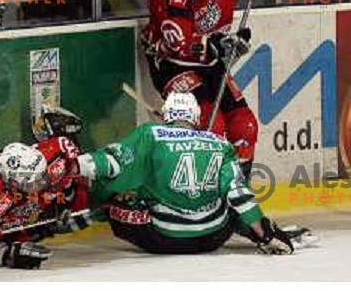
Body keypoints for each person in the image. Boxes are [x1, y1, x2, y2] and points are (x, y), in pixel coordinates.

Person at [77, 92, 296, 256]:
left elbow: (111, 162)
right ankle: (261, 232)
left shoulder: (150, 134)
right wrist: (263, 234)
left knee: (117, 196)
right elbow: (238, 193)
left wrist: (75, 164)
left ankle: (77, 218)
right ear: (196, 116)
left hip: (163, 239)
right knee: (227, 201)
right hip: (213, 238)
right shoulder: (220, 143)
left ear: (166, 113)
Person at [140, 0, 278, 180]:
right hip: (172, 64)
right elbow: (178, 45)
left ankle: (238, 193)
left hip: (210, 62)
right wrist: (219, 45)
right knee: (211, 127)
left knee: (244, 125)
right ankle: (204, 193)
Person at [0, 107, 90, 269]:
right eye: (32, 184)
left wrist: (75, 195)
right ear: (12, 184)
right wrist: (8, 254)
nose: (42, 183)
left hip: (2, 166)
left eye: (42, 176)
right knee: (12, 235)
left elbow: (70, 151)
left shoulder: (54, 154)